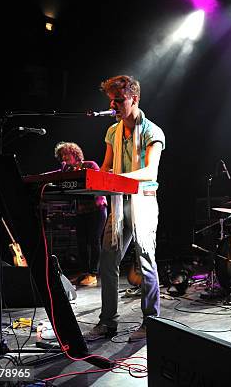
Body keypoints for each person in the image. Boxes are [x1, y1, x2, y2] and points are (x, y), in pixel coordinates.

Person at [83, 75, 165, 343]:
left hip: (143, 199)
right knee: (107, 260)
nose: (113, 105)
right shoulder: (112, 132)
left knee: (145, 260)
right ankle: (108, 322)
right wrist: (93, 178)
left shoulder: (154, 131)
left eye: (119, 100)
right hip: (119, 202)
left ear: (134, 99)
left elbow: (150, 170)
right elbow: (107, 167)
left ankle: (150, 322)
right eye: (111, 100)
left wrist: (114, 179)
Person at [54, 142, 107, 286]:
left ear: (75, 153)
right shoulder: (66, 170)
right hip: (81, 211)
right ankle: (84, 273)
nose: (64, 157)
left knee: (94, 241)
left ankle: (93, 274)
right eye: (62, 155)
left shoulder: (90, 165)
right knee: (81, 243)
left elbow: (97, 183)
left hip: (97, 209)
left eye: (66, 154)